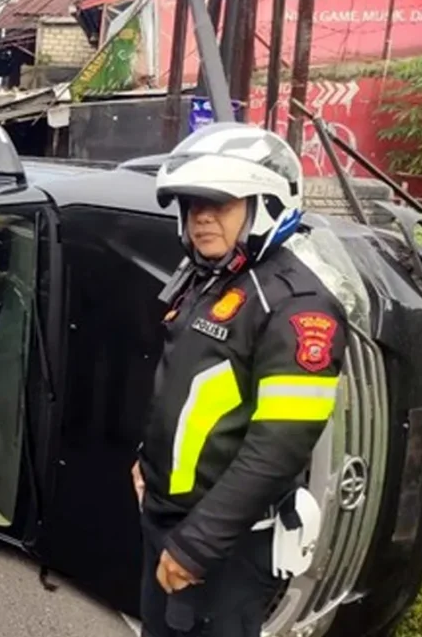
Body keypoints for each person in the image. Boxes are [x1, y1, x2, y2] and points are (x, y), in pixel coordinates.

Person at [131, 122, 348, 637]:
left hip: (221, 547)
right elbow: (189, 390)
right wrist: (146, 459)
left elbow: (278, 448)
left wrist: (197, 546)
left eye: (220, 203)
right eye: (192, 204)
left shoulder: (297, 307)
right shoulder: (212, 278)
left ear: (265, 206)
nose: (202, 217)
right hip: (169, 522)